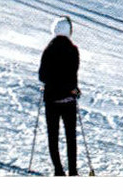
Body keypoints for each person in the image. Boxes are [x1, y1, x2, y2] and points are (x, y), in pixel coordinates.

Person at [38, 17, 80, 176]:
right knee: (71, 136)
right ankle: (73, 171)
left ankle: (58, 169)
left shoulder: (48, 50)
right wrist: (74, 89)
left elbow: (42, 76)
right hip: (69, 99)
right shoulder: (73, 50)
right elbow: (73, 74)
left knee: (53, 136)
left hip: (52, 100)